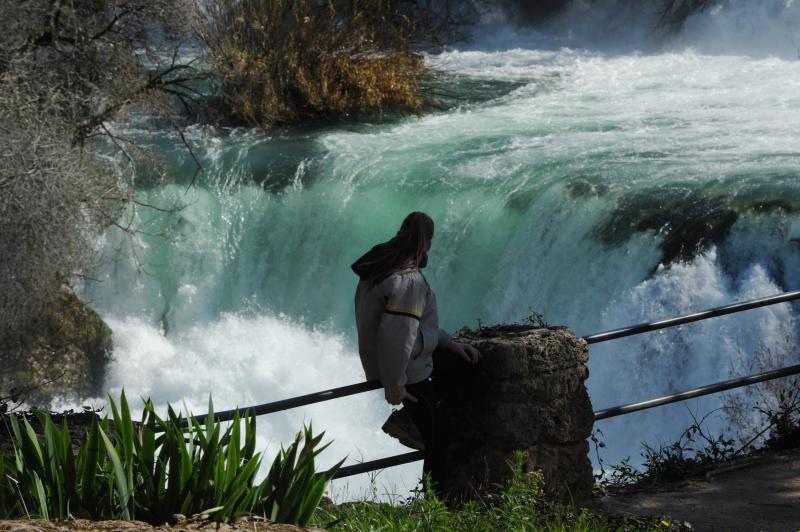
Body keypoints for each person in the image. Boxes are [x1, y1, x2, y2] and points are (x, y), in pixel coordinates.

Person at [351, 211, 481, 494]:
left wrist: (449, 343)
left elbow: (415, 325)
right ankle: (436, 504)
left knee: (435, 429)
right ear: (426, 243)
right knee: (439, 440)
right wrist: (396, 387)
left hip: (395, 366)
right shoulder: (408, 280)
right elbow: (398, 338)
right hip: (408, 373)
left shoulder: (380, 269)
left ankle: (411, 428)